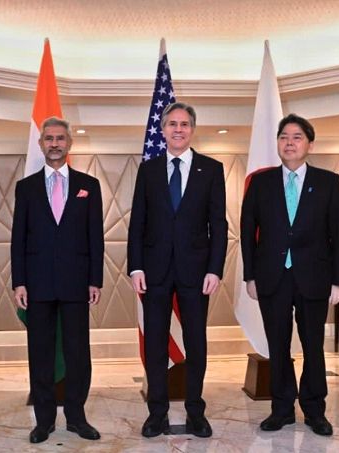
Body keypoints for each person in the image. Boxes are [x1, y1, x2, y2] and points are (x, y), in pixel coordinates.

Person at [240, 113, 339, 436]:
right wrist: (250, 276)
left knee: (313, 345)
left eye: (297, 137)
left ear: (309, 145)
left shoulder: (329, 182)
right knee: (277, 345)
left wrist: (338, 280)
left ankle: (315, 410)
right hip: (271, 277)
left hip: (314, 278)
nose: (289, 143)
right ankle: (282, 409)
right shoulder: (260, 183)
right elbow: (247, 232)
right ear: (277, 143)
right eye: (284, 137)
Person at [127, 102, 228, 438]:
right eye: (172, 124)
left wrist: (215, 269)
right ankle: (157, 414)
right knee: (155, 344)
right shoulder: (149, 170)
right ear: (163, 129)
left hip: (197, 274)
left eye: (184, 124)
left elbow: (218, 224)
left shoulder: (211, 169)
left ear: (192, 129)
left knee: (196, 343)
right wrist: (135, 267)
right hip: (154, 272)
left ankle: (196, 412)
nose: (178, 129)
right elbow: (138, 222)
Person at [11, 116, 104, 444]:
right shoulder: (26, 188)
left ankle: (77, 418)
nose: (54, 143)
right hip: (37, 285)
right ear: (41, 144)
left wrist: (95, 280)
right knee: (41, 354)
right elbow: (18, 239)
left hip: (77, 284)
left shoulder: (89, 185)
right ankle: (44, 421)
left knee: (78, 353)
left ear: (69, 143)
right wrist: (19, 282)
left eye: (60, 138)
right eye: (49, 138)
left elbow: (95, 237)